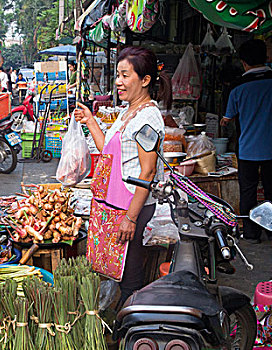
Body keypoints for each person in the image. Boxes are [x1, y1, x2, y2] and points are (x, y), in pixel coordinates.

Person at [74, 46, 172, 304]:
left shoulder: (148, 119)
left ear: (145, 80)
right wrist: (90, 121)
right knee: (117, 264)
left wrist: (130, 218)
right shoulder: (129, 111)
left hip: (132, 206)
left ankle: (128, 323)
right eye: (118, 75)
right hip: (116, 204)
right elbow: (109, 150)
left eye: (125, 75)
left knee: (130, 271)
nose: (118, 81)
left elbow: (147, 170)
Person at [220, 39, 272, 244]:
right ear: (265, 57)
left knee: (247, 192)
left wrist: (225, 120)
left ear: (243, 62)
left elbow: (228, 118)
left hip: (247, 149)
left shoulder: (238, 87)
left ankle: (251, 233)